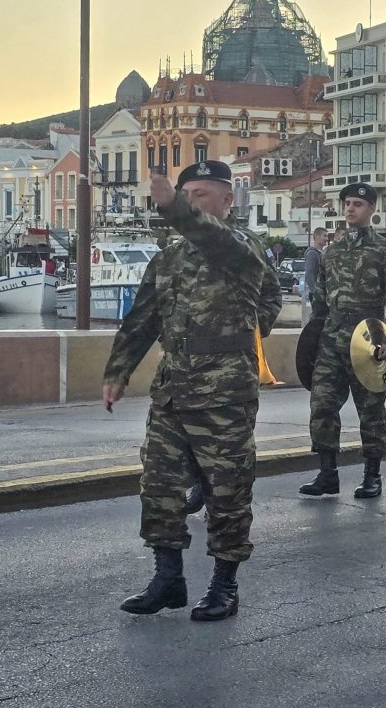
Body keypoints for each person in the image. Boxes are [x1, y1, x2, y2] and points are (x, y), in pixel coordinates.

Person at [102, 160, 283, 622]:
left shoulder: (242, 247)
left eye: (200, 194)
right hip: (173, 388)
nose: (191, 202)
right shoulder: (168, 258)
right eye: (186, 195)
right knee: (159, 486)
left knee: (228, 491)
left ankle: (224, 585)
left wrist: (246, 330)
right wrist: (118, 371)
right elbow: (143, 318)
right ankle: (168, 578)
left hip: (224, 390)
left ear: (227, 200)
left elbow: (254, 281)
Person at [299, 183, 386, 499]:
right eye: (347, 203)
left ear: (372, 209)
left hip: (368, 344)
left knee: (371, 411)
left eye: (358, 204)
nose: (351, 208)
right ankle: (327, 474)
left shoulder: (384, 251)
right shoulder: (331, 252)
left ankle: (372, 475)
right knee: (322, 405)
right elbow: (321, 299)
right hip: (331, 342)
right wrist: (315, 336)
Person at [301, 226, 328, 326]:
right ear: (317, 237)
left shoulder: (319, 254)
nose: (327, 239)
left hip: (320, 294)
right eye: (324, 236)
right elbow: (310, 274)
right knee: (317, 320)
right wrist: (315, 292)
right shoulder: (312, 254)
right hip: (317, 295)